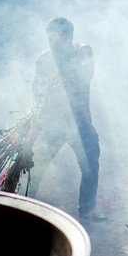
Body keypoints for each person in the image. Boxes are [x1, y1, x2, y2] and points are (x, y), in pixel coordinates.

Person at [28, 17, 105, 222]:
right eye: (49, 38)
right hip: (53, 124)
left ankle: (86, 212)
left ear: (68, 37)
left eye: (55, 39)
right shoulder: (44, 59)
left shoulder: (82, 51)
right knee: (36, 166)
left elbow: (85, 75)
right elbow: (37, 90)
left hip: (80, 122)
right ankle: (25, 205)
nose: (51, 44)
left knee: (90, 165)